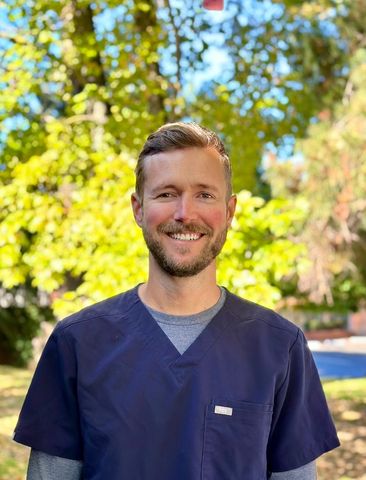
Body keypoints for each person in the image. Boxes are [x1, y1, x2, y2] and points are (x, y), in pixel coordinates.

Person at [14, 122, 340, 479]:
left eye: (204, 194)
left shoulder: (279, 347)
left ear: (229, 212)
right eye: (167, 194)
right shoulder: (76, 343)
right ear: (138, 209)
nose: (185, 213)